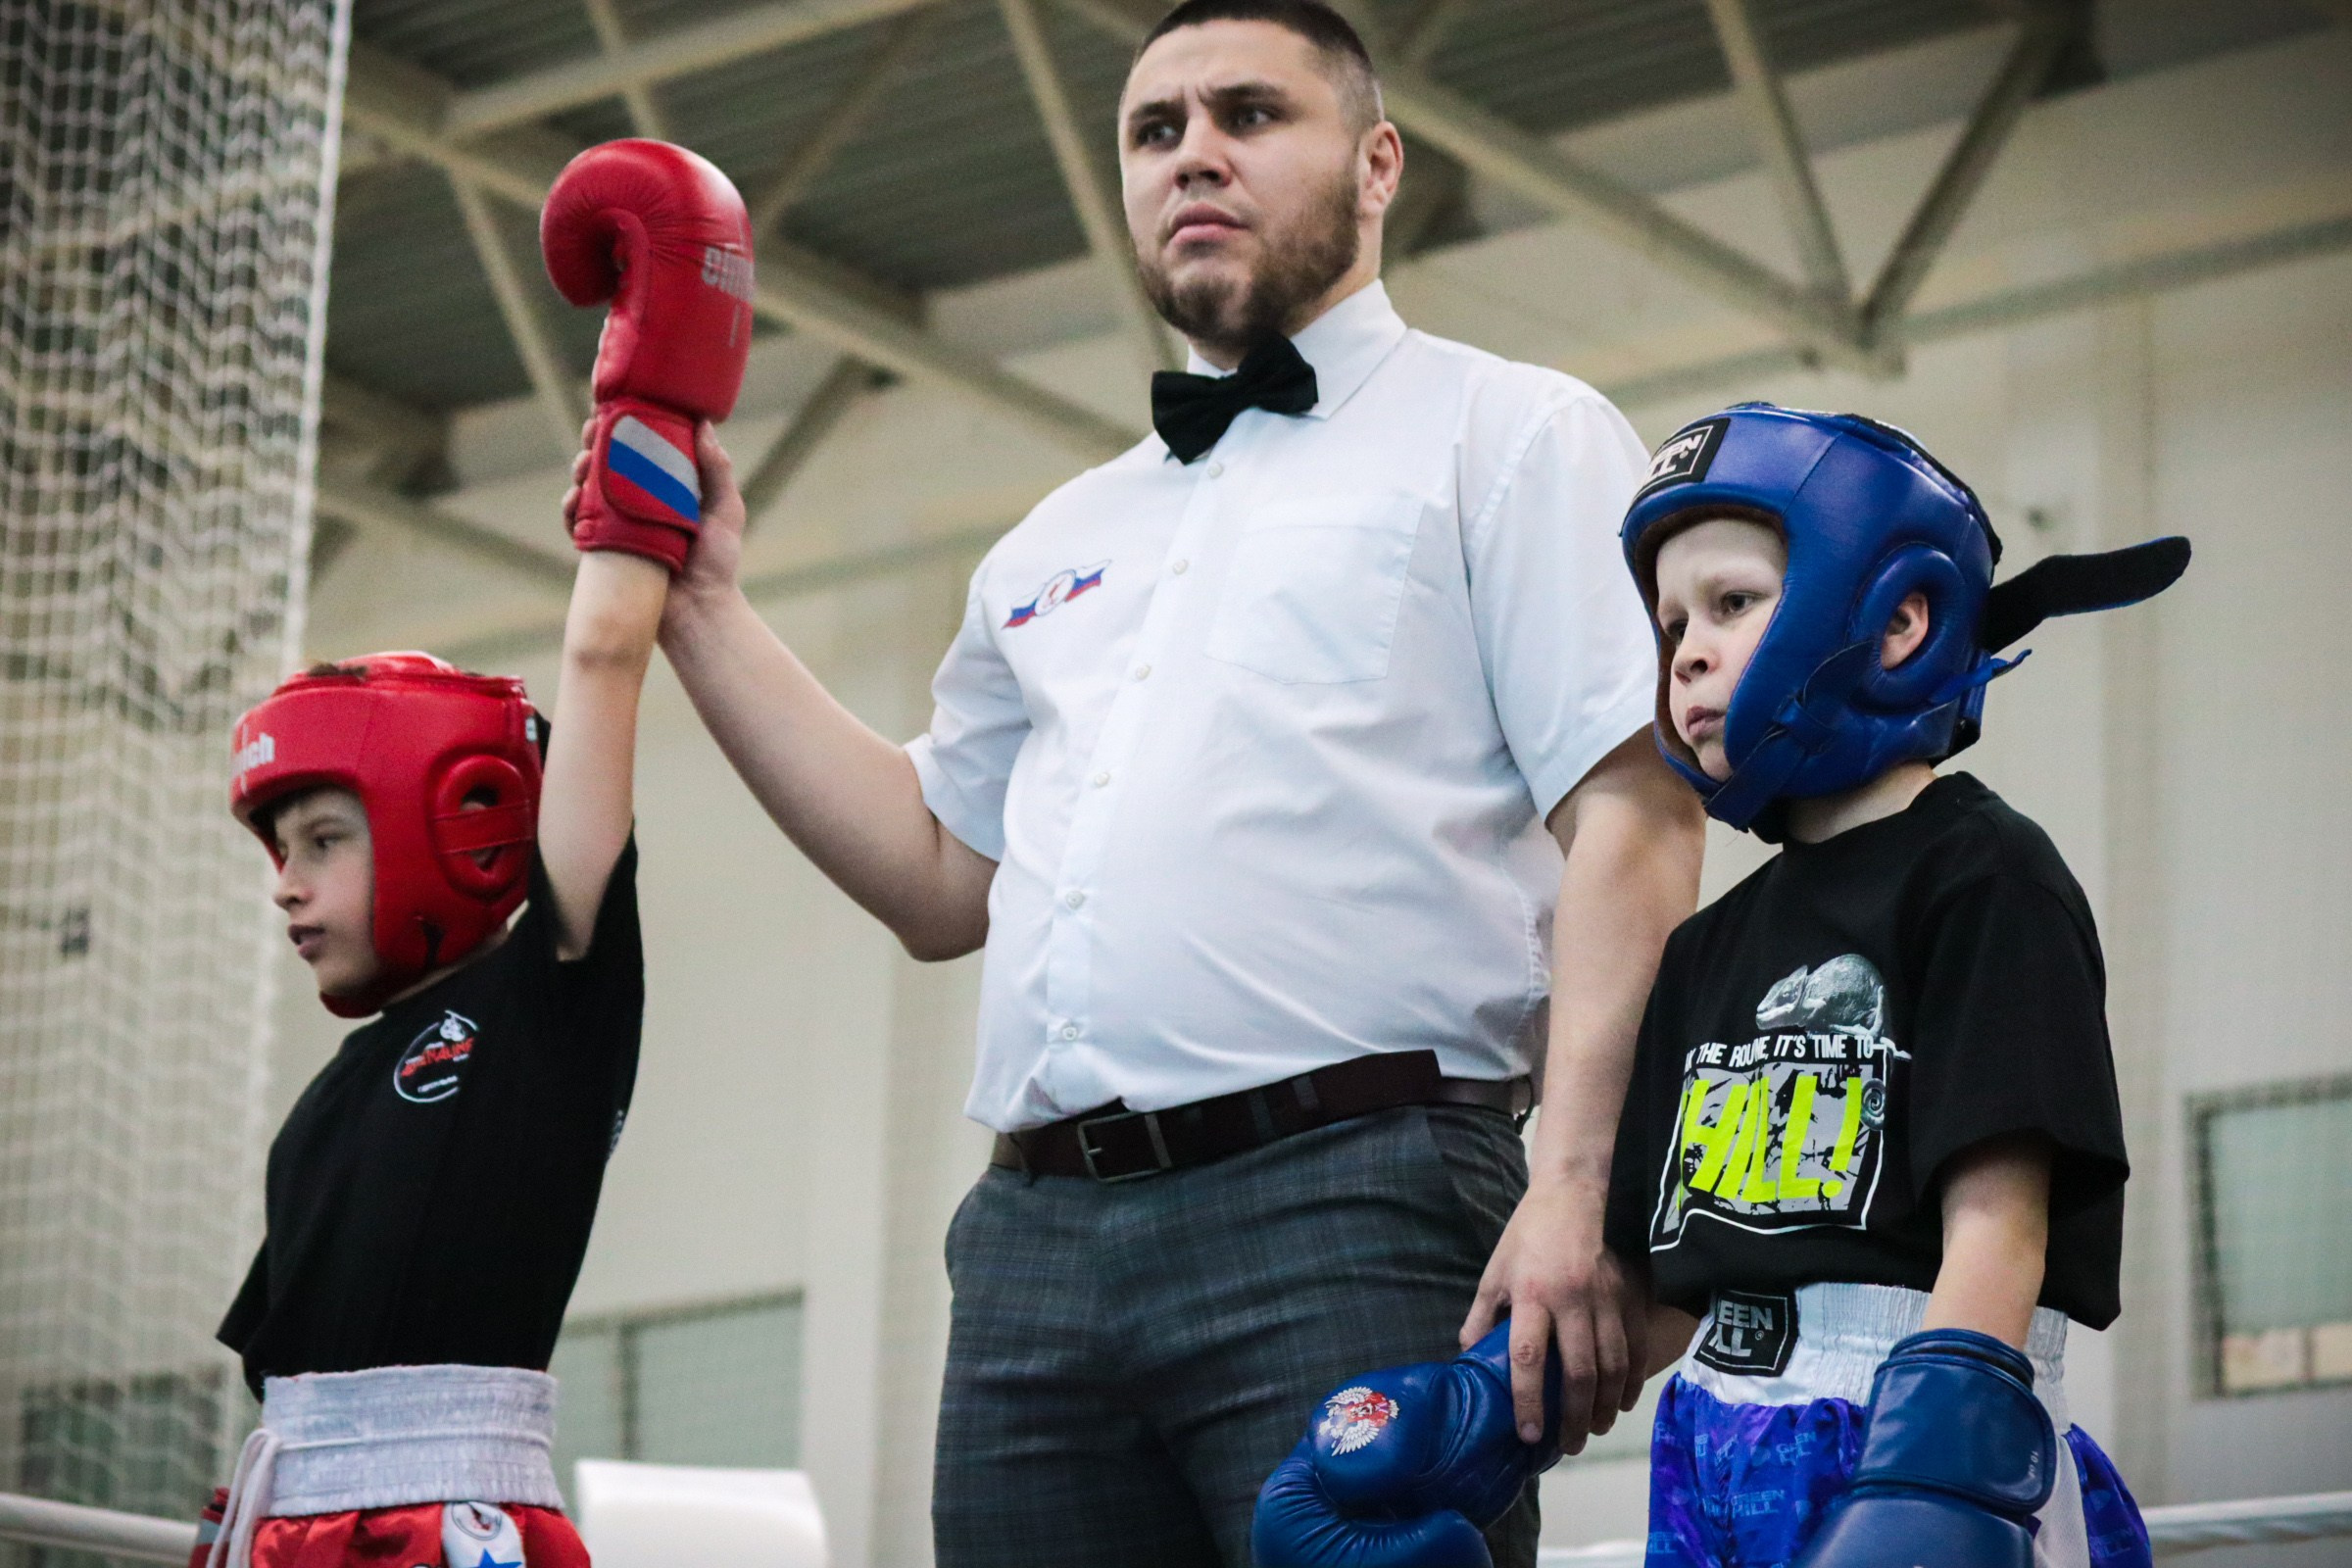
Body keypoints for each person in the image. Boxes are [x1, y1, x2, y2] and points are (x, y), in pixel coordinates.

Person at [656, 2, 1701, 1562]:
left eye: (1249, 115)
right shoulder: (1055, 538)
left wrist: (1581, 1185)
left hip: (1358, 1198)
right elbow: (943, 877)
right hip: (1028, 1246)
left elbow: (1635, 810)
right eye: (1155, 132)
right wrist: (702, 609)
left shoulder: (1512, 434)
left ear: (1375, 164)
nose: (1193, 155)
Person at [191, 137, 751, 1568]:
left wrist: (653, 401)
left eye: (325, 836)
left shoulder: (545, 1001)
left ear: (463, 820)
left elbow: (606, 652)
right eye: (280, 848)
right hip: (288, 1519)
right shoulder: (325, 1108)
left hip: (454, 1522)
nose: (288, 883)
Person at [1600, 403, 2181, 1568]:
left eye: (1731, 604)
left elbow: (2000, 1218)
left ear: (1899, 616)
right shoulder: (1707, 945)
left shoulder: (1984, 872)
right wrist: (1481, 1419)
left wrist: (1934, 1476)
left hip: (1911, 1427)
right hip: (1708, 1442)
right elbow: (1665, 1286)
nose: (1689, 653)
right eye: (1672, 626)